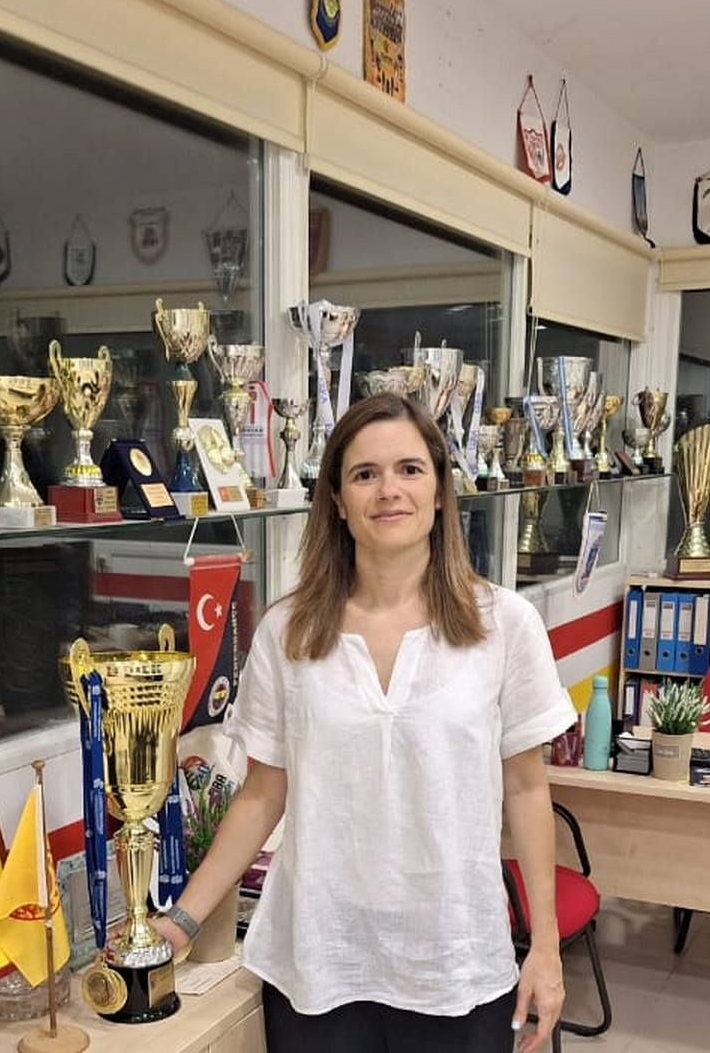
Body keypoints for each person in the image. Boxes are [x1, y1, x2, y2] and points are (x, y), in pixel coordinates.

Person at [151, 392, 577, 1052]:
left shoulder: (503, 625)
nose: (389, 490)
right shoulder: (288, 632)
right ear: (338, 500)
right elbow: (263, 794)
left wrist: (544, 948)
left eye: (410, 469)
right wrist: (181, 920)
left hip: (455, 959)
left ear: (440, 491)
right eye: (365, 474)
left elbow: (525, 788)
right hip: (322, 959)